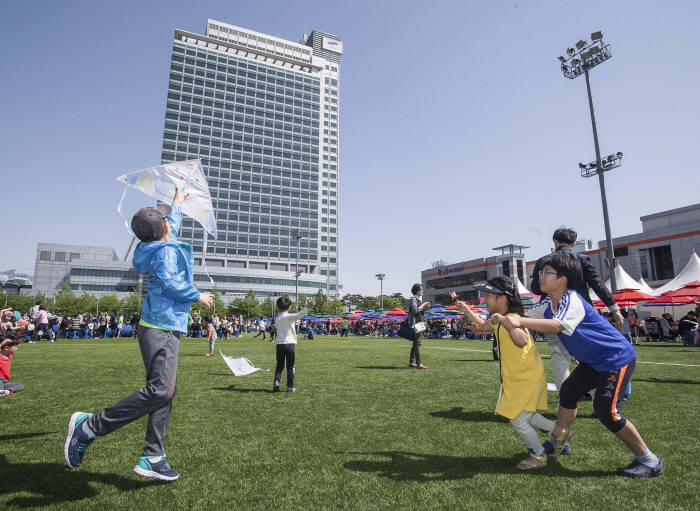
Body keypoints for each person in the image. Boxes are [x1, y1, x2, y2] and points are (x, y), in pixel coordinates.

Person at [64, 187, 214, 482]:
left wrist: (177, 203)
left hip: (157, 326)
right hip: (164, 327)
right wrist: (198, 295)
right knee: (161, 390)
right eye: (167, 222)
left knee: (163, 391)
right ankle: (90, 427)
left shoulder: (151, 247)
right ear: (164, 230)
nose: (170, 225)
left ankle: (153, 456)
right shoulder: (166, 252)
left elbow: (172, 225)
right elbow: (171, 283)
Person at [501, 252, 663, 478]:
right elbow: (526, 319)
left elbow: (556, 326)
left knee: (607, 412)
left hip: (615, 359)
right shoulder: (548, 303)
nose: (540, 276)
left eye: (547, 272)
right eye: (541, 272)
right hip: (595, 362)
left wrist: (518, 320)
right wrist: (498, 319)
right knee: (568, 392)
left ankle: (649, 460)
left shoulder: (572, 299)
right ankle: (561, 439)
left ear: (563, 279)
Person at [456, 277, 558, 470]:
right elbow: (483, 327)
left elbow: (520, 340)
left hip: (525, 378)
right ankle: (560, 433)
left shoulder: (513, 319)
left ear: (502, 299)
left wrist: (506, 321)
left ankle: (539, 454)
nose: (485, 300)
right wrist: (468, 310)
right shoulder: (500, 319)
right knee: (527, 415)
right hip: (517, 378)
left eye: (489, 295)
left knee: (518, 420)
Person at [530, 228, 623, 394]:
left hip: (553, 314)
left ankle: (565, 401)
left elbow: (536, 289)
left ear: (554, 242)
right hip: (581, 317)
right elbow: (597, 284)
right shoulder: (582, 259)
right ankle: (597, 399)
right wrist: (613, 308)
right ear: (573, 244)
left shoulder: (544, 262)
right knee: (590, 359)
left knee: (560, 361)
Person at [273, 297, 315, 393]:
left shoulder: (277, 318)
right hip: (289, 344)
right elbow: (300, 314)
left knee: (279, 366)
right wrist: (308, 306)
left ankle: (276, 383)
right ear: (289, 308)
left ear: (277, 308)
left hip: (279, 345)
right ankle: (290, 387)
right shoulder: (289, 317)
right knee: (290, 366)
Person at [408, 284, 430, 369]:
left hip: (418, 323)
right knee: (417, 343)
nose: (422, 291)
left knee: (415, 343)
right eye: (421, 289)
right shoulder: (414, 299)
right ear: (417, 291)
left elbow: (419, 312)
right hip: (416, 324)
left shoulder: (417, 299)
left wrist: (425, 308)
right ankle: (419, 364)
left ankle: (411, 362)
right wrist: (423, 305)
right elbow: (414, 311)